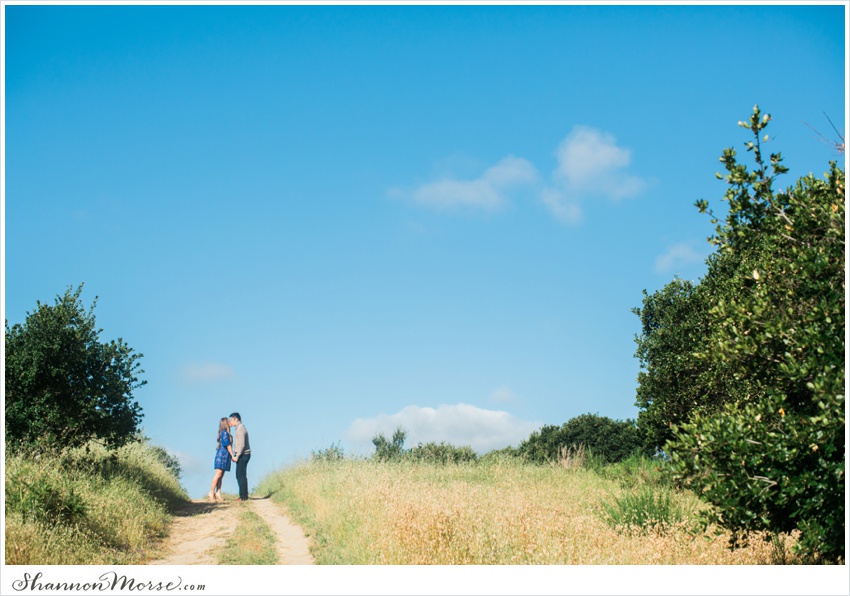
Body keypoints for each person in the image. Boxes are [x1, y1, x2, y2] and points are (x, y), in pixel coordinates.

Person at [209, 417, 234, 502]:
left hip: (225, 456)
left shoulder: (227, 433)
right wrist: (233, 455)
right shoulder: (224, 433)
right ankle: (211, 492)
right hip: (222, 455)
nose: (231, 422)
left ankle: (218, 492)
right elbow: (228, 446)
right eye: (229, 421)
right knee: (218, 474)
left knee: (221, 475)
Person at [229, 412, 251, 501]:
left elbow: (241, 445)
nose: (230, 422)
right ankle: (243, 495)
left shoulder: (240, 428)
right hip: (242, 454)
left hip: (243, 454)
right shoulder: (239, 428)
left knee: (241, 475)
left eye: (231, 420)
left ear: (236, 419)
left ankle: (243, 496)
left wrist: (237, 456)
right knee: (239, 475)